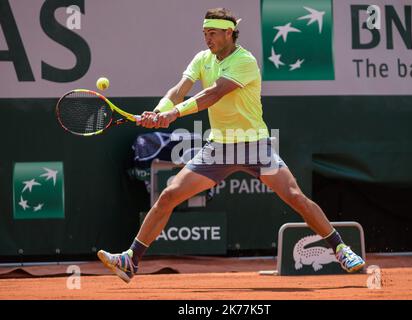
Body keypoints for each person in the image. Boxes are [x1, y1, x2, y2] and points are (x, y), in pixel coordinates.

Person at [97, 8, 365, 283]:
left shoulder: (245, 61)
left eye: (212, 33)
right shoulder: (203, 59)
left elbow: (212, 94)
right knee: (168, 195)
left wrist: (173, 114)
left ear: (229, 33)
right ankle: (131, 260)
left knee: (295, 197)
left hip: (254, 145)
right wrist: (158, 111)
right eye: (204, 33)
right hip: (219, 148)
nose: (207, 39)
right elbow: (179, 90)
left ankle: (341, 249)